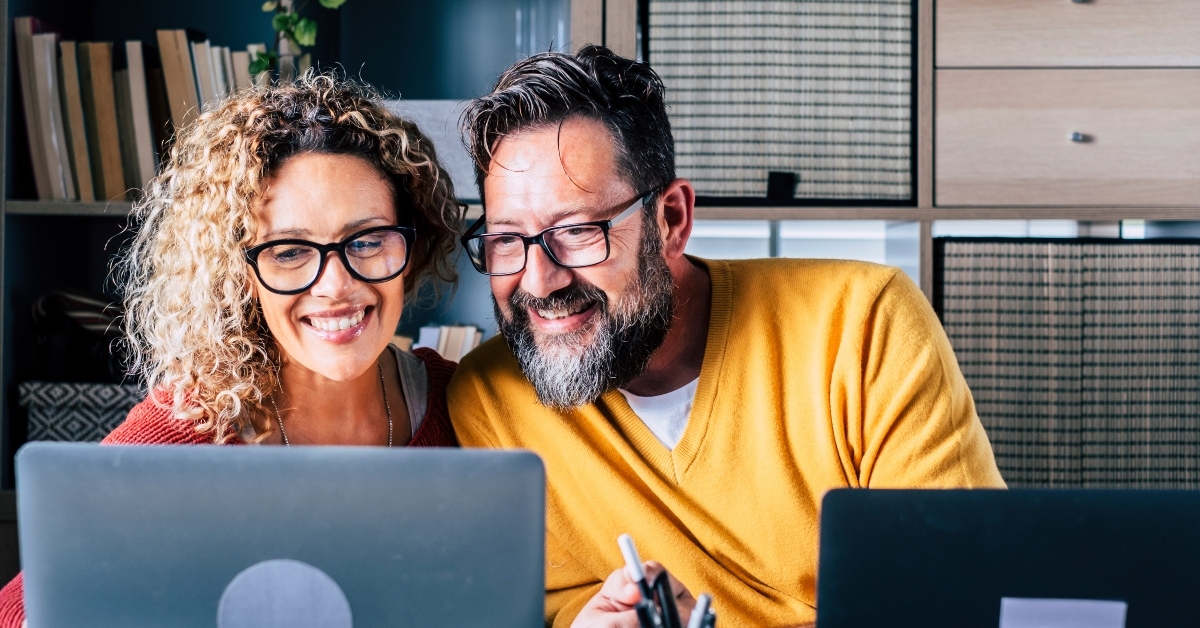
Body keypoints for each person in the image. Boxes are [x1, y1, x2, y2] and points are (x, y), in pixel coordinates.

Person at [448, 46, 1006, 627]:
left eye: (579, 231)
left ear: (670, 220)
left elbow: (962, 597)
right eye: (506, 239)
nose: (540, 280)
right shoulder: (490, 398)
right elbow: (550, 606)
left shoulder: (863, 323)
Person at [0, 72, 462, 626]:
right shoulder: (192, 423)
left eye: (366, 241)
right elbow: (21, 610)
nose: (336, 286)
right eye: (289, 251)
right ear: (242, 273)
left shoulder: (460, 404)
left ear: (409, 247)